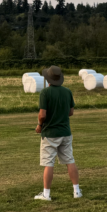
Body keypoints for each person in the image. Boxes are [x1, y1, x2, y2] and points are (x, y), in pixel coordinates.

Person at [33, 65, 81, 201]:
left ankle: (46, 194)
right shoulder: (67, 92)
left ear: (48, 79)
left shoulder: (45, 93)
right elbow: (70, 112)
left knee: (49, 163)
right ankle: (76, 191)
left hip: (50, 133)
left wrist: (39, 126)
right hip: (65, 132)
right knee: (70, 160)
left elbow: (42, 115)